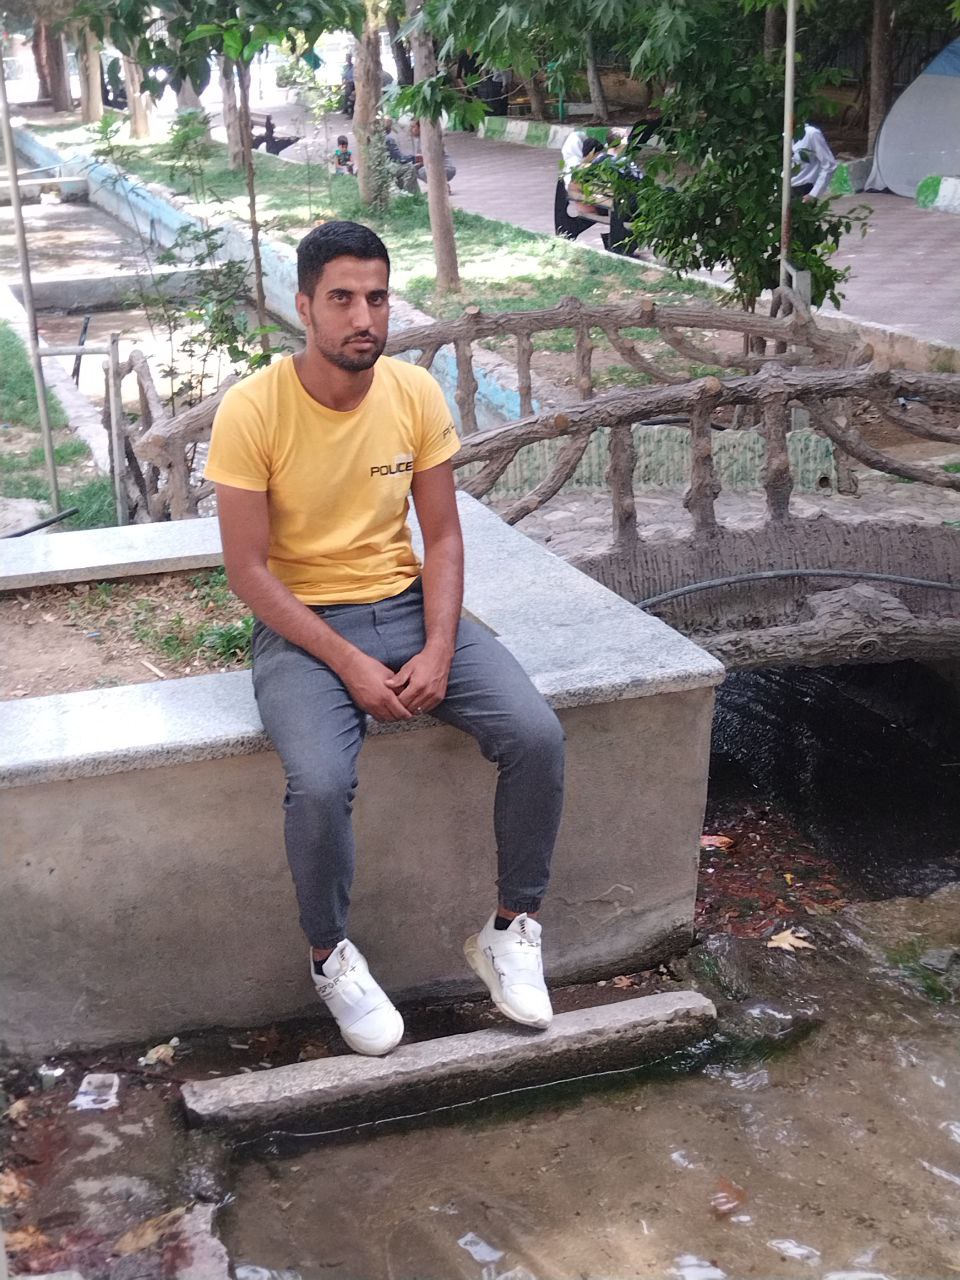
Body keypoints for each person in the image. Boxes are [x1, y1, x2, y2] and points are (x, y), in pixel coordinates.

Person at [204, 221, 565, 1058]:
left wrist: (437, 647)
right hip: (302, 629)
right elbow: (248, 572)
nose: (363, 317)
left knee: (537, 735)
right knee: (321, 783)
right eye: (342, 298)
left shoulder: (413, 394)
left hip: (408, 606)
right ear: (304, 306)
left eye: (376, 297)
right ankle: (330, 956)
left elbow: (442, 537)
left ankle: (511, 928)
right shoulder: (253, 410)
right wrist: (349, 662)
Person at [791, 121, 837, 202]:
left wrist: (813, 194)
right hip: (780, 191)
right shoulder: (779, 135)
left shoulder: (811, 133)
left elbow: (829, 165)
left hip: (803, 190)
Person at [409, 120, 457, 188]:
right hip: (440, 167)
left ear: (421, 127)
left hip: (445, 168)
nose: (411, 130)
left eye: (413, 127)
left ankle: (439, 186)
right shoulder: (421, 139)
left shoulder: (429, 139)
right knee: (413, 168)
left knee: (417, 170)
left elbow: (430, 159)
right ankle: (440, 185)